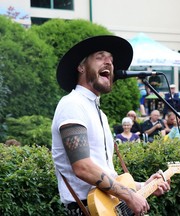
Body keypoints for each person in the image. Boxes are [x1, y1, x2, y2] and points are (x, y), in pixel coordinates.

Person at [51, 35, 170, 216]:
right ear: (81, 66)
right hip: (85, 209)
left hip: (107, 206)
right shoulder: (72, 104)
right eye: (100, 57)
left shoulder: (99, 113)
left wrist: (143, 186)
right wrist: (130, 196)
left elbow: (107, 175)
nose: (109, 62)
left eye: (111, 60)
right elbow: (83, 167)